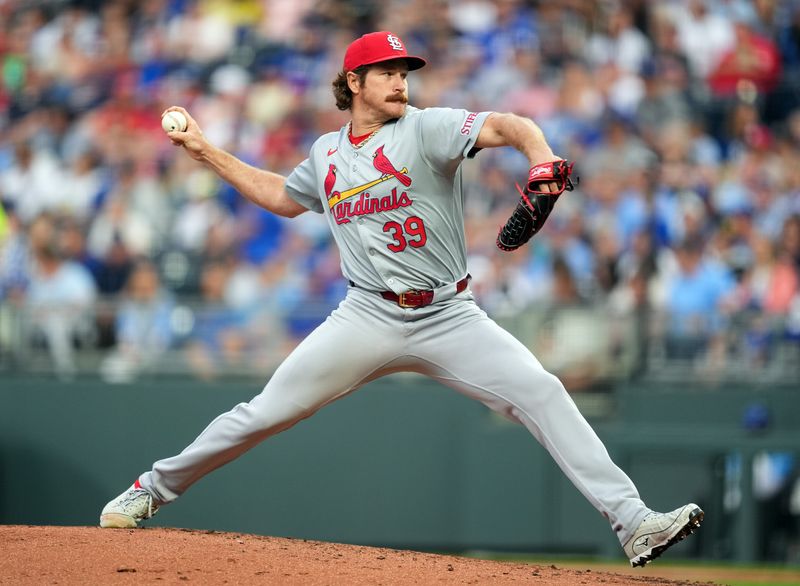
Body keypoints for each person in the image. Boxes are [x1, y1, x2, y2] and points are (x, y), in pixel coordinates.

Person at [99, 31, 703, 567]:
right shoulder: (326, 154)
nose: (400, 82)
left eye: (404, 72)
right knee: (265, 412)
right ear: (354, 82)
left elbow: (508, 126)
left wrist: (540, 155)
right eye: (387, 72)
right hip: (366, 314)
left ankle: (635, 524)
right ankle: (151, 489)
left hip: (449, 313)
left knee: (541, 391)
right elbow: (282, 197)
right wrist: (205, 152)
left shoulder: (428, 127)